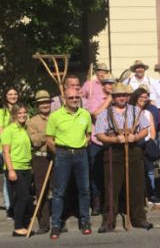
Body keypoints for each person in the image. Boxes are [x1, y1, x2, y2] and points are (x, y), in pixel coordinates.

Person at [95, 83, 153, 232]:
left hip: (134, 151)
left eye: (124, 95)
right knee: (111, 188)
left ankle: (139, 219)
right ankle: (108, 222)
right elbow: (100, 135)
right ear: (113, 98)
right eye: (118, 95)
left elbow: (145, 130)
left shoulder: (136, 111)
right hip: (113, 153)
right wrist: (114, 140)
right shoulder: (105, 114)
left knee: (137, 187)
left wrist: (135, 137)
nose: (121, 97)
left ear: (128, 97)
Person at [46, 88, 93, 240]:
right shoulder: (55, 116)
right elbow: (49, 140)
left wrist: (82, 144)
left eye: (76, 97)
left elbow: (88, 134)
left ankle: (85, 221)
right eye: (71, 97)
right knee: (59, 192)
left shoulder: (85, 114)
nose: (74, 100)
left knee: (84, 190)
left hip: (81, 154)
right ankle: (56, 225)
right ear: (65, 99)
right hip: (63, 154)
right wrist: (60, 153)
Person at [1, 104, 33, 237]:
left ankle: (24, 224)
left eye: (24, 112)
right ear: (14, 115)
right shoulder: (9, 130)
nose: (22, 115)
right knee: (23, 197)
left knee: (24, 197)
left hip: (26, 167)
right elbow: (6, 152)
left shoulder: (24, 129)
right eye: (19, 113)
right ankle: (18, 227)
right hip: (15, 168)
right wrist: (11, 170)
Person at [87, 74, 116, 216]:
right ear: (103, 85)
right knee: (96, 174)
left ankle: (109, 203)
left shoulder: (118, 99)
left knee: (111, 175)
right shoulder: (95, 98)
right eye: (108, 83)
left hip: (113, 142)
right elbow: (96, 115)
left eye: (112, 83)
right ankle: (96, 203)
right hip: (97, 142)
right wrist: (109, 100)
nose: (110, 86)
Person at [26, 90, 53, 234]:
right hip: (41, 157)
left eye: (47, 102)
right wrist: (49, 134)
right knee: (41, 191)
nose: (45, 105)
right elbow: (36, 141)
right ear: (37, 105)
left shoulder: (57, 117)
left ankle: (58, 222)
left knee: (59, 190)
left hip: (57, 156)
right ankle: (44, 223)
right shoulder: (32, 122)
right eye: (42, 102)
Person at [129, 85, 160, 205]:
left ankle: (150, 194)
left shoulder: (148, 113)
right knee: (136, 172)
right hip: (134, 145)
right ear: (136, 97)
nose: (144, 99)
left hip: (146, 145)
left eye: (146, 97)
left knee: (149, 171)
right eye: (141, 96)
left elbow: (152, 131)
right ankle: (138, 196)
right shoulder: (130, 111)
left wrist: (148, 142)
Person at [0, 87, 18, 218]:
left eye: (15, 94)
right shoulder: (0, 112)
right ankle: (10, 207)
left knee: (20, 178)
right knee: (7, 178)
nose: (13, 96)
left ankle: (19, 205)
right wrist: (13, 140)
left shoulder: (21, 110)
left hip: (20, 151)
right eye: (10, 94)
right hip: (5, 150)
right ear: (5, 96)